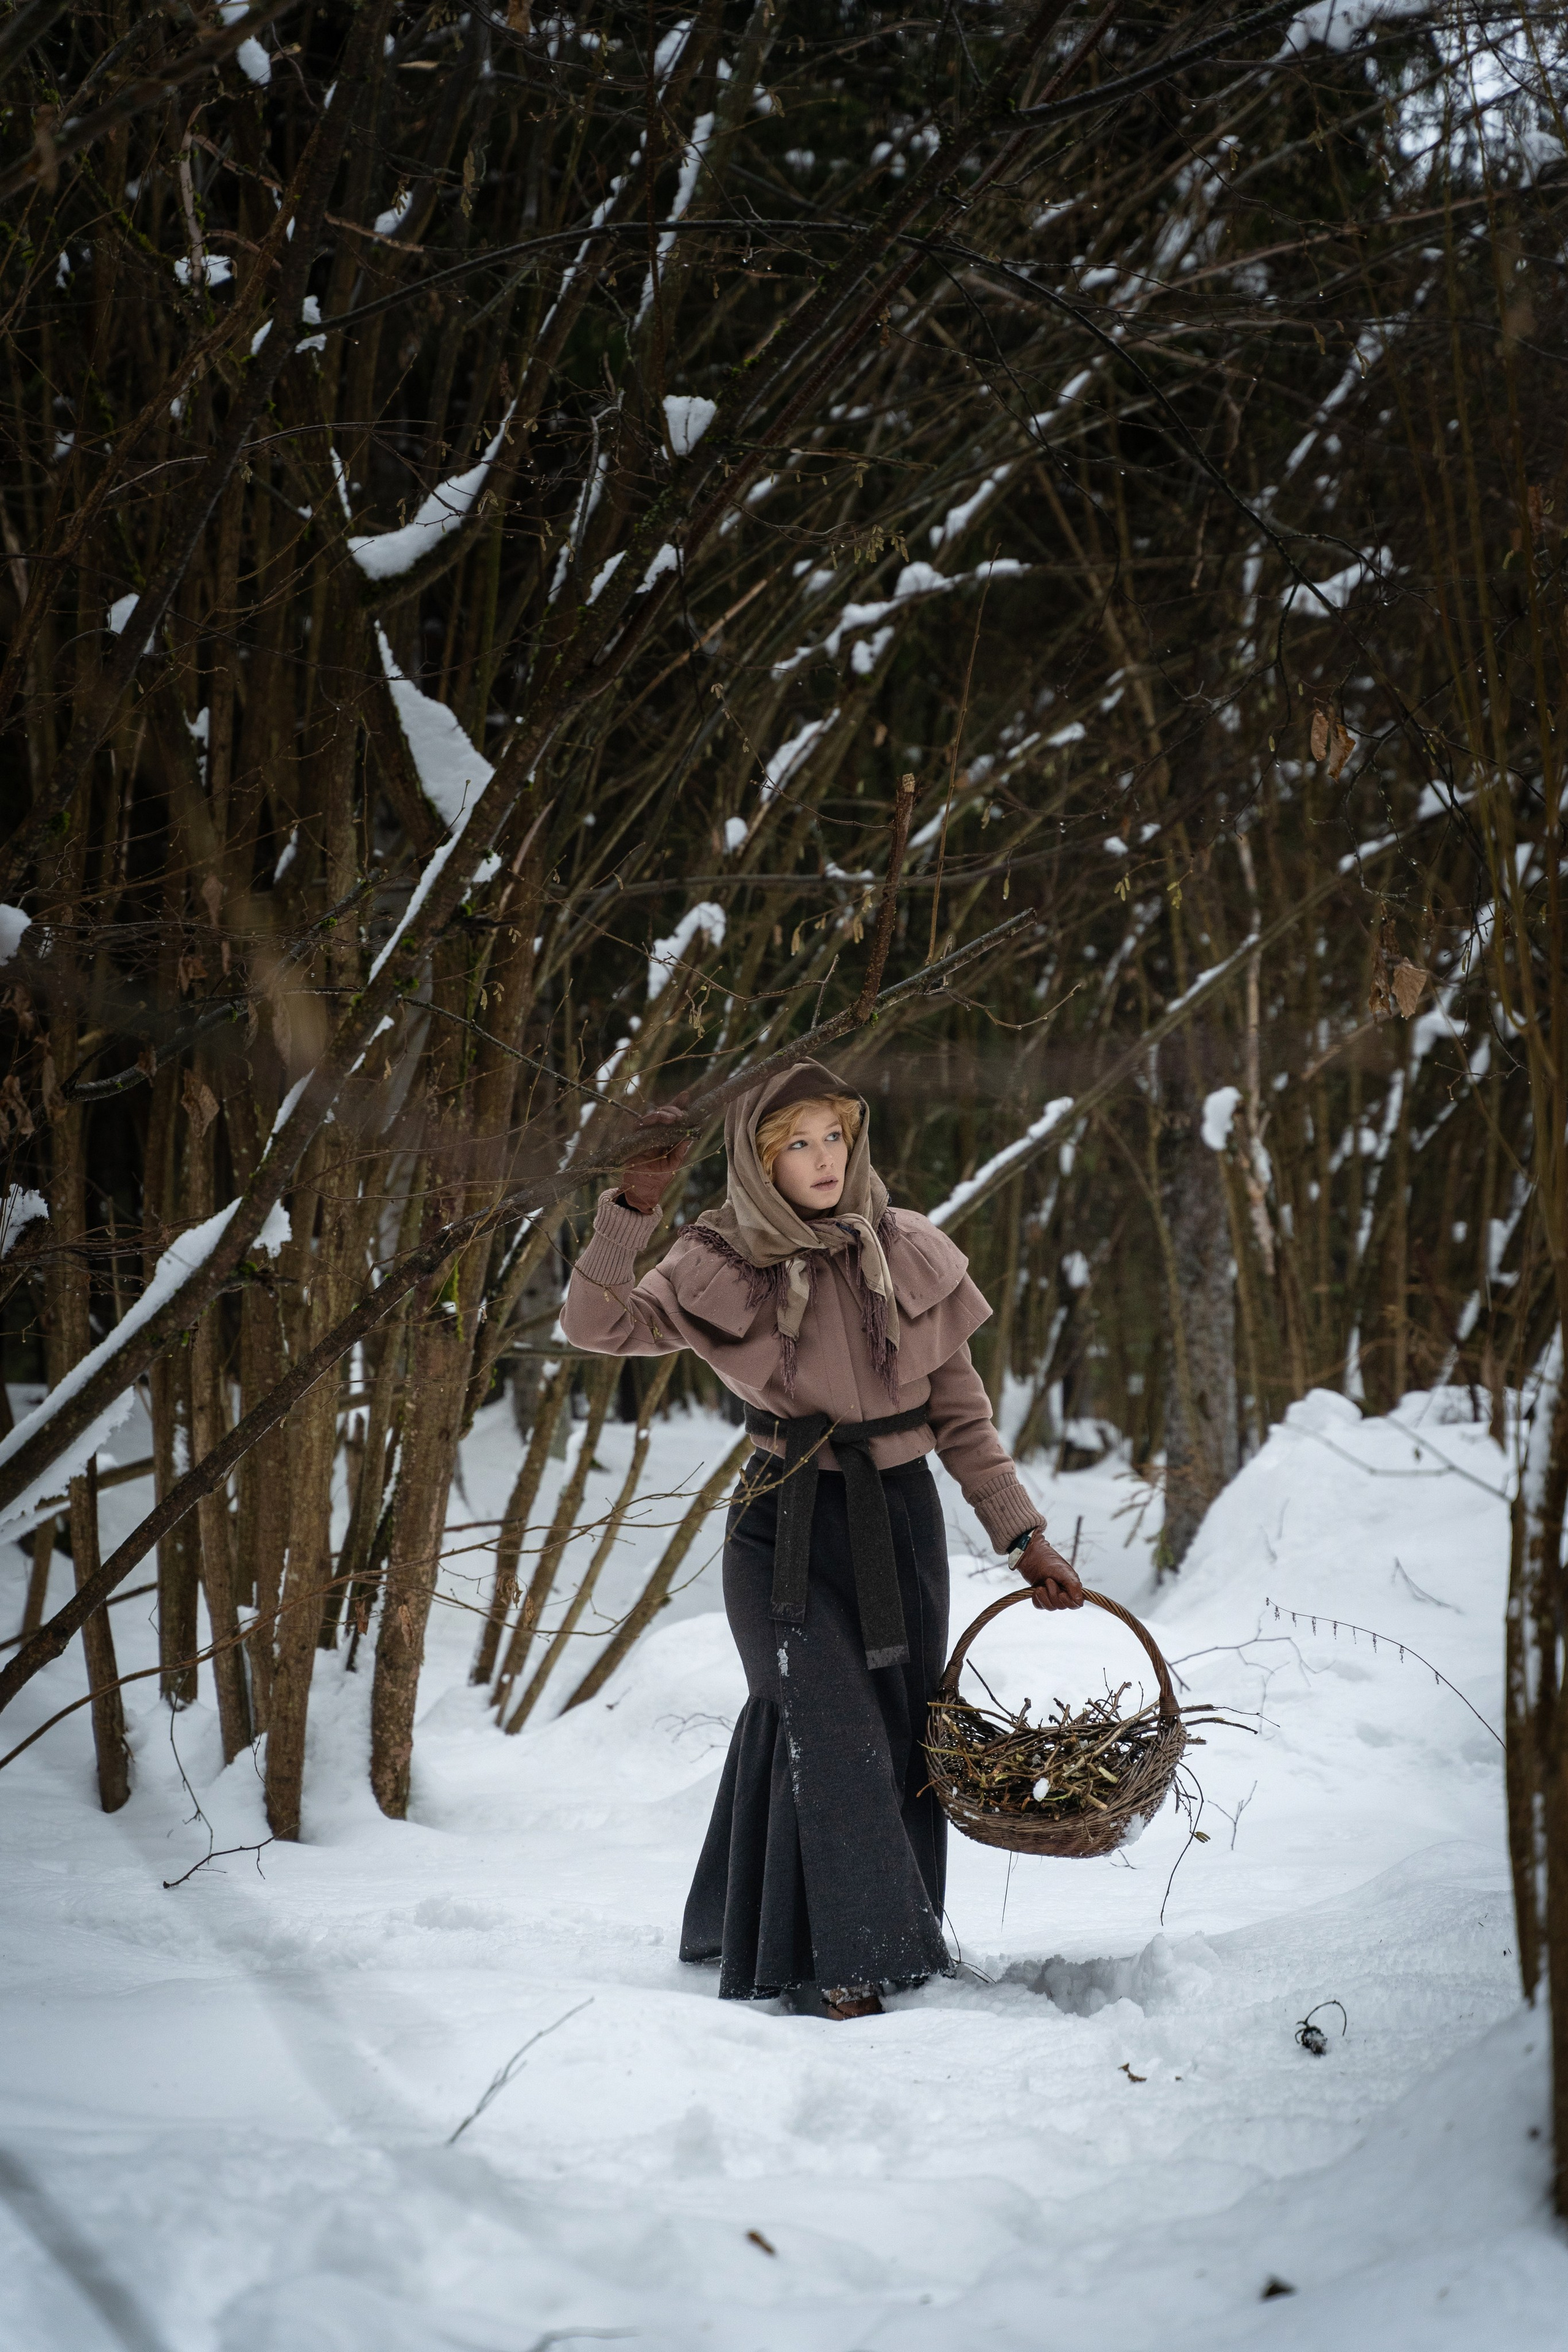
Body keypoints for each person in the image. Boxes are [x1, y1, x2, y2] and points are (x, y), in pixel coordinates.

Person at [561, 1058, 1084, 2019]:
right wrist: (630, 1207)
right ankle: (850, 1960)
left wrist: (1026, 1538)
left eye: (832, 1136)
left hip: (899, 1525)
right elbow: (595, 1325)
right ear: (760, 1163)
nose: (821, 1159)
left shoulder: (909, 1249)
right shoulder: (719, 1260)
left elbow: (963, 1419)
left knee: (891, 1736)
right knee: (820, 1722)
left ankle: (775, 1924)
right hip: (784, 1523)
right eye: (794, 1144)